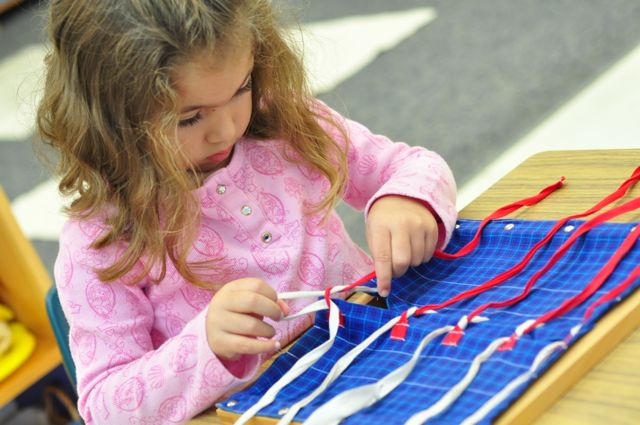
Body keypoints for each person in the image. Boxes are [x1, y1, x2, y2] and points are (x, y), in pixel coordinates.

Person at [36, 0, 457, 423]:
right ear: (112, 122)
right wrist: (205, 345)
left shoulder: (285, 122)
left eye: (241, 88)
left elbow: (410, 166)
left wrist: (404, 198)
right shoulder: (101, 239)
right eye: (190, 118)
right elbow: (105, 408)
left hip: (388, 350)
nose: (226, 129)